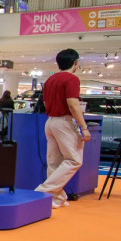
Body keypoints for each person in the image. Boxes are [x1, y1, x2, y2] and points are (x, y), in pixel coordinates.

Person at [34, 49, 91, 209]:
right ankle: (43, 191)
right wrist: (84, 127)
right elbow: (73, 104)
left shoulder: (50, 80)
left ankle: (55, 199)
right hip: (64, 122)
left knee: (54, 162)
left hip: (50, 121)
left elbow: (46, 104)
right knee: (74, 160)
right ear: (75, 63)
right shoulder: (72, 79)